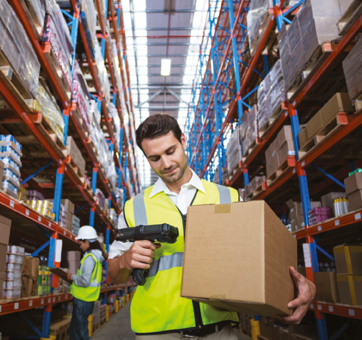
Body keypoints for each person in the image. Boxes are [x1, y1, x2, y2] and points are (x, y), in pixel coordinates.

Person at [108, 114, 316, 339]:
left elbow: (261, 258)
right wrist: (125, 260)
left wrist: (302, 287)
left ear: (183, 141)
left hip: (219, 330)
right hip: (157, 331)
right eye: (155, 158)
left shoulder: (227, 196)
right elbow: (114, 275)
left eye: (171, 151)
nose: (166, 164)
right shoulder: (133, 208)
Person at [67, 226, 106, 340]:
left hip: (83, 300)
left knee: (80, 331)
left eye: (81, 243)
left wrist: (71, 277)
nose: (80, 245)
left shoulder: (90, 258)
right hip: (85, 299)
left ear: (87, 241)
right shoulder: (96, 257)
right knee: (75, 330)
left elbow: (84, 281)